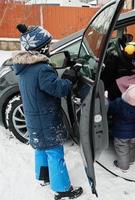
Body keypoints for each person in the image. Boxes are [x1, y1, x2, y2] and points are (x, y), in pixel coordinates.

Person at [12, 24, 83, 200]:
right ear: (42, 47)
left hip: (33, 117)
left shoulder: (24, 68)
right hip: (46, 119)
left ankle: (43, 176)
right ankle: (62, 189)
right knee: (54, 151)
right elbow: (58, 89)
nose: (50, 48)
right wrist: (69, 76)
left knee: (40, 148)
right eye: (49, 45)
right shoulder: (42, 68)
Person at [108, 84, 135, 172]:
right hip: (134, 132)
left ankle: (123, 166)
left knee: (122, 149)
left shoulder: (119, 102)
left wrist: (106, 99)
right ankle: (131, 160)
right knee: (131, 146)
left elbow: (110, 108)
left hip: (120, 133)